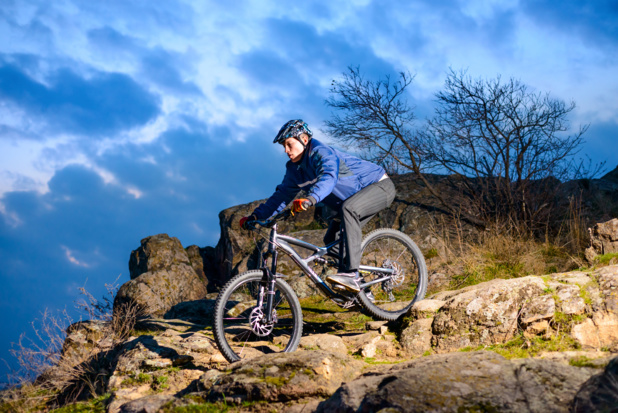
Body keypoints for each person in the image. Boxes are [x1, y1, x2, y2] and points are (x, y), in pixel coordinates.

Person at [239, 119, 396, 293]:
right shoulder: (294, 170)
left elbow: (328, 177)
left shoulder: (322, 153)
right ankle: (363, 294)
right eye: (284, 146)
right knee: (332, 242)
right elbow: (281, 196)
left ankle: (352, 275)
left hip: (379, 186)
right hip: (350, 201)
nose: (286, 150)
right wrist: (256, 216)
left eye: (289, 144)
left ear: (304, 140)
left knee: (348, 209)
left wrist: (311, 198)